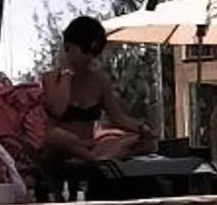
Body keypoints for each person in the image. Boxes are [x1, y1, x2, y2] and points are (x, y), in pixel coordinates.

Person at [37, 17, 153, 174]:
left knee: (143, 143)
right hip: (60, 149)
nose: (90, 57)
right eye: (85, 50)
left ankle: (97, 158)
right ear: (69, 46)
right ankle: (98, 160)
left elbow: (118, 117)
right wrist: (66, 73)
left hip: (88, 144)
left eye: (95, 52)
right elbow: (58, 109)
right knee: (58, 136)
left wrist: (142, 129)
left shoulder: (99, 80)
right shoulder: (51, 79)